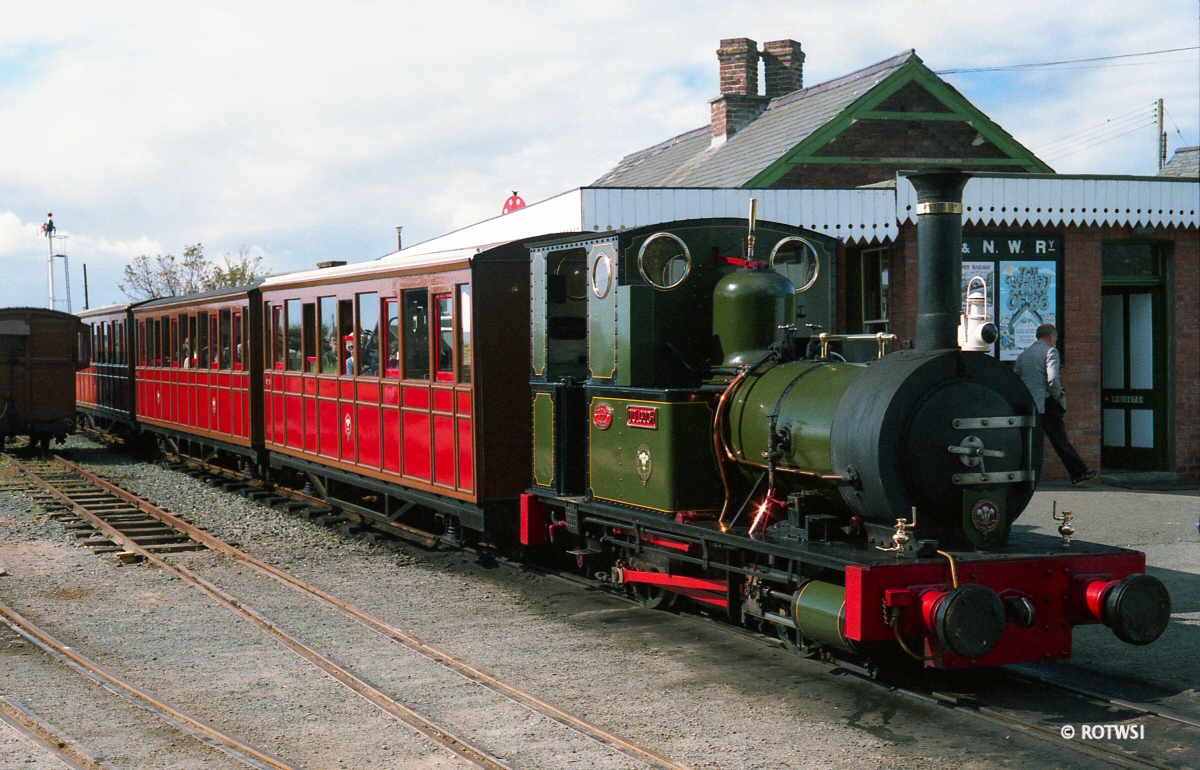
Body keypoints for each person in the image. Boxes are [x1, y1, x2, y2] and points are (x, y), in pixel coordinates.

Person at [1014, 324, 1097, 485]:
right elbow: (1053, 379)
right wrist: (1057, 396)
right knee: (1060, 440)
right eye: (1055, 339)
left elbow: (1017, 377)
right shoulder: (1050, 352)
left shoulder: (1023, 355)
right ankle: (1078, 473)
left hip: (1028, 404)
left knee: (1028, 441)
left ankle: (1023, 476)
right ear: (1051, 337)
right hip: (1046, 404)